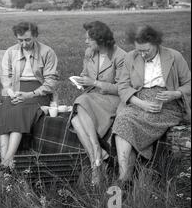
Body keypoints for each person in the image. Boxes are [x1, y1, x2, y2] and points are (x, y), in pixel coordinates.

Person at [112, 25, 191, 184]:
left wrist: (175, 94)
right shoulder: (131, 57)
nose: (142, 54)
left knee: (139, 118)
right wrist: (140, 103)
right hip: (138, 100)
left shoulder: (174, 56)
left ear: (156, 43)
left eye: (146, 51)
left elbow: (189, 84)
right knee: (123, 119)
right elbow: (123, 87)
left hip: (168, 104)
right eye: (138, 50)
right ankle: (124, 176)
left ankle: (133, 170)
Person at [69, 21, 127, 186]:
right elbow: (85, 74)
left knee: (80, 102)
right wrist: (81, 81)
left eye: (89, 39)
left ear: (100, 40)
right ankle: (98, 156)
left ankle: (95, 150)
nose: (86, 42)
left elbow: (122, 88)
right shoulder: (89, 53)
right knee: (74, 119)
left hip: (112, 98)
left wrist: (94, 83)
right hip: (92, 97)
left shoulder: (121, 56)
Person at [0, 22, 59, 171]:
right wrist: (11, 94)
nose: (24, 43)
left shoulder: (47, 52)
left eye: (27, 40)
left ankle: (8, 158)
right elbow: (5, 77)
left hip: (38, 91)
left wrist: (29, 95)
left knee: (19, 110)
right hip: (16, 90)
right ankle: (4, 161)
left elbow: (50, 82)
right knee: (5, 111)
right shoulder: (11, 52)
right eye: (20, 40)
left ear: (35, 36)